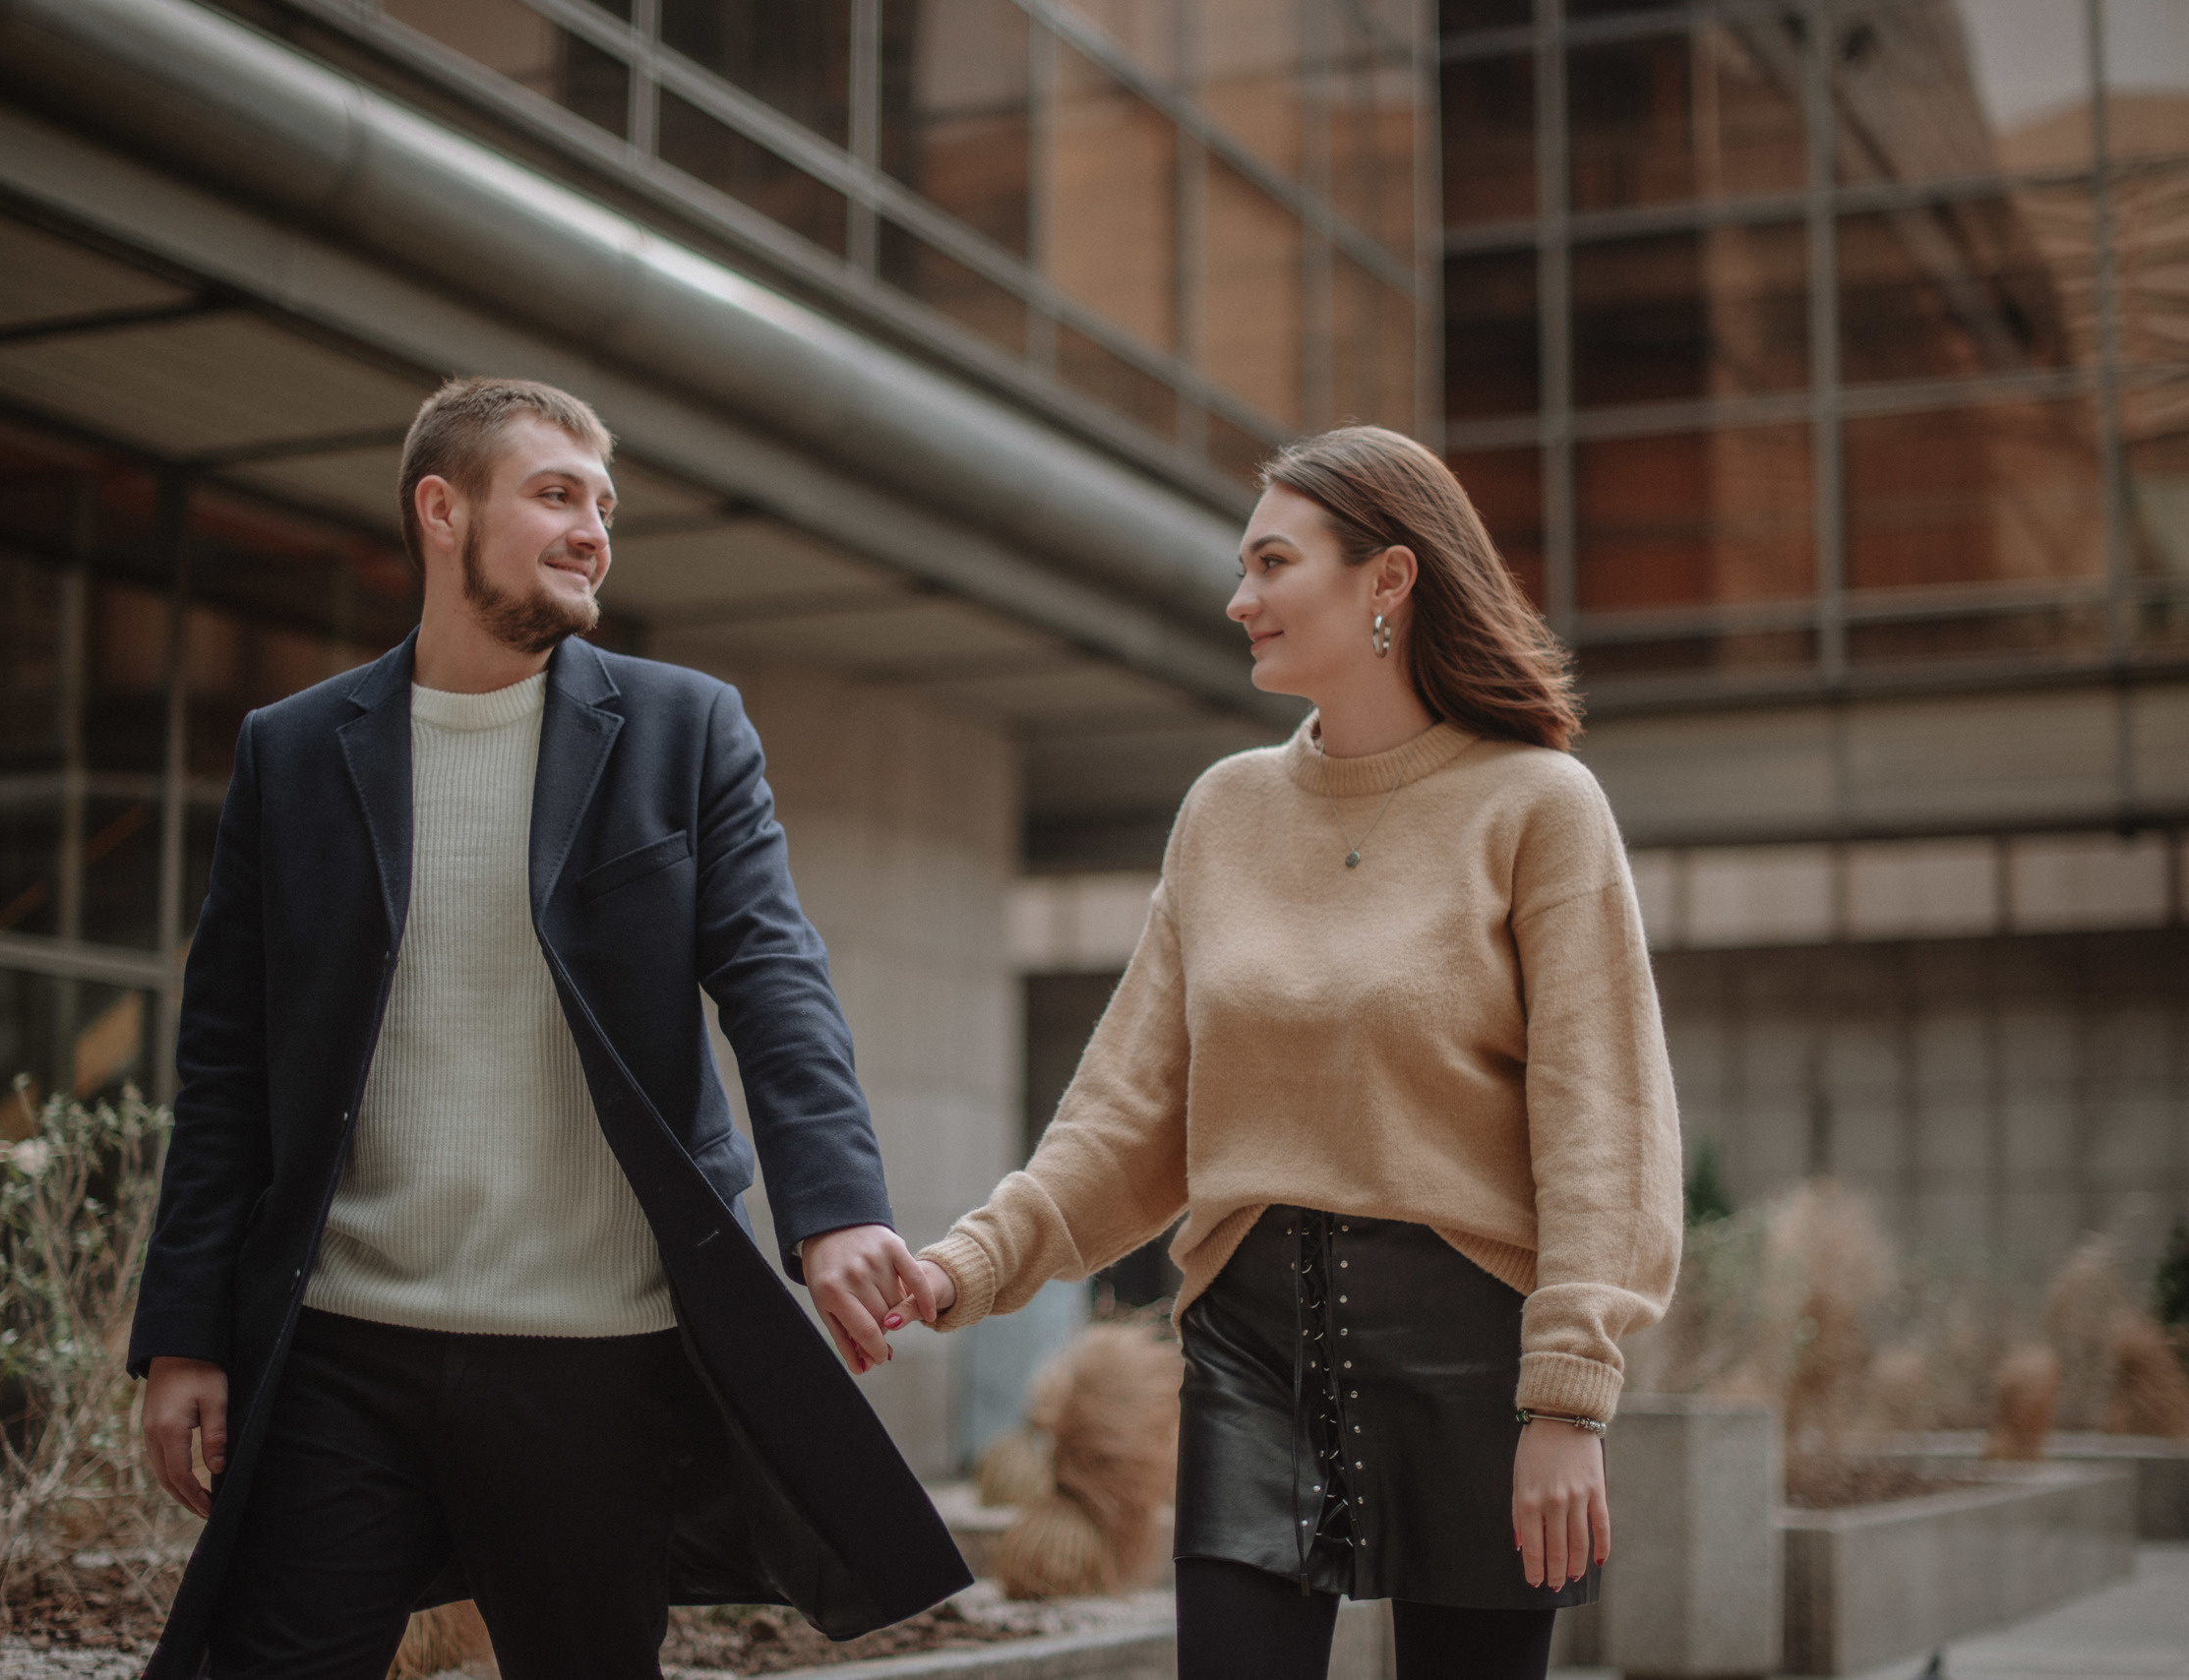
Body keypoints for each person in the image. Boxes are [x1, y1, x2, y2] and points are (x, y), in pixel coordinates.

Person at [127, 377, 966, 1680]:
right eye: (557, 495)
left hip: (594, 1361)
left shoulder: (684, 731)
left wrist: (835, 1206)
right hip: (345, 1343)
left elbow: (774, 975)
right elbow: (227, 1059)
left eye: (607, 507)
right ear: (441, 509)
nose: (593, 531)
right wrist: (184, 1331)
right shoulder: (291, 753)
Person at [900, 427, 1681, 1680]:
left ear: (1388, 580)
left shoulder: (1538, 806)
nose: (1238, 598)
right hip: (1248, 1349)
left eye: (1271, 562)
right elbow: (1130, 1108)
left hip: (1472, 1359)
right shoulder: (1224, 812)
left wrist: (1565, 1399)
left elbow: (1603, 1122)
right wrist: (966, 1266)